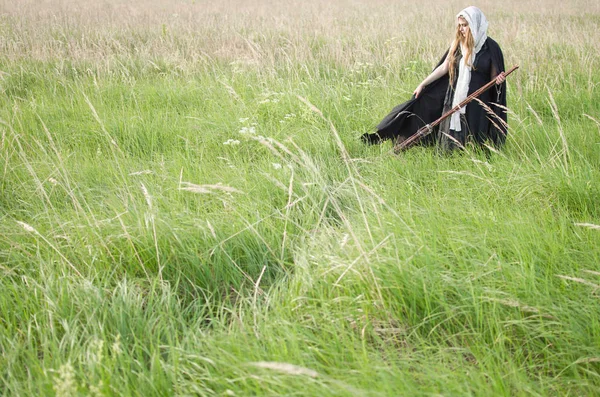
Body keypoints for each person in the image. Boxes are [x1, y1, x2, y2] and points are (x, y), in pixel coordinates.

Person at [362, 6, 508, 151]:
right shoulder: (458, 44)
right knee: (447, 137)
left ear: (475, 24)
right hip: (455, 97)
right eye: (460, 25)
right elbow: (444, 67)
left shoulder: (490, 47)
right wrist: (423, 84)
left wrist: (499, 80)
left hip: (477, 101)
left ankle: (475, 160)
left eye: (465, 25)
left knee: (474, 140)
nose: (461, 29)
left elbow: (494, 78)